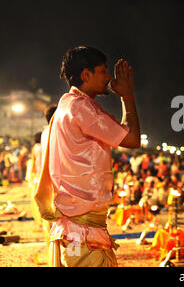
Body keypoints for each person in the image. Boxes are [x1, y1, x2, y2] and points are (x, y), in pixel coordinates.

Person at [34, 46, 141, 267]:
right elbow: (132, 139)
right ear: (86, 75)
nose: (109, 77)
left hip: (75, 227)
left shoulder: (67, 104)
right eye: (103, 71)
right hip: (82, 231)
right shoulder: (82, 108)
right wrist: (128, 95)